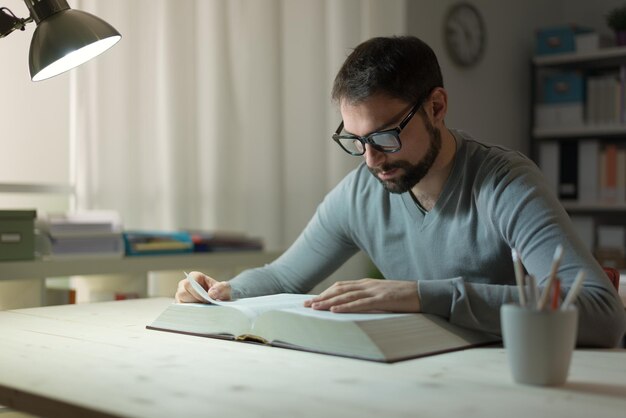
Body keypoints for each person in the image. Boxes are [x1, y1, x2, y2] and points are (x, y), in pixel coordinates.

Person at [176, 35, 625, 347]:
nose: (371, 159)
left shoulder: (506, 183)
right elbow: (284, 278)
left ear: (437, 106)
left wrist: (421, 294)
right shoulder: (360, 194)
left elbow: (602, 313)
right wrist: (223, 291)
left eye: (385, 135)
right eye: (356, 140)